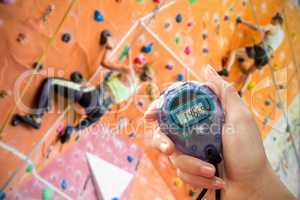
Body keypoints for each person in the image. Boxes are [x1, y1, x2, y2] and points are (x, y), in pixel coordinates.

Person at [144, 65, 296, 199]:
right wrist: (254, 190)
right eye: (188, 114)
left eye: (195, 111)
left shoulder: (181, 109)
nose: (199, 129)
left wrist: (255, 186)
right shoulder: (201, 96)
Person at [12, 30, 154, 139]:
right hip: (99, 111)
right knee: (80, 122)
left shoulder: (128, 70)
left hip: (92, 96)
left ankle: (37, 117)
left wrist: (109, 47)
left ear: (140, 68)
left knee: (50, 82)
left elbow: (106, 63)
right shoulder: (135, 87)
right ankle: (72, 131)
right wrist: (129, 56)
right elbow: (128, 71)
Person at [217, 12, 285, 96]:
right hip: (266, 58)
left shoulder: (273, 27)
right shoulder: (282, 35)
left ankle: (226, 70)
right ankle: (241, 91)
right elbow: (270, 40)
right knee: (249, 72)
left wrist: (243, 21)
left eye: (272, 21)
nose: (271, 22)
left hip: (260, 50)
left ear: (276, 20)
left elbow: (257, 28)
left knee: (234, 52)